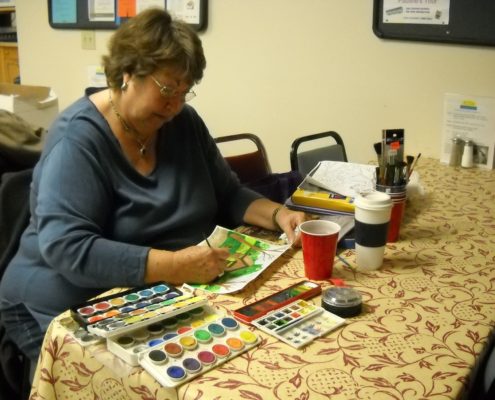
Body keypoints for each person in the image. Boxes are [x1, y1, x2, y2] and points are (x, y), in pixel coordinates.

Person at [0, 8, 305, 367]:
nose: (175, 105)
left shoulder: (182, 122)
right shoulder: (77, 141)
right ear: (127, 73)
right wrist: (173, 266)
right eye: (167, 89)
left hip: (156, 294)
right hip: (65, 304)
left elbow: (228, 193)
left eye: (184, 92)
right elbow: (68, 249)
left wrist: (278, 214)